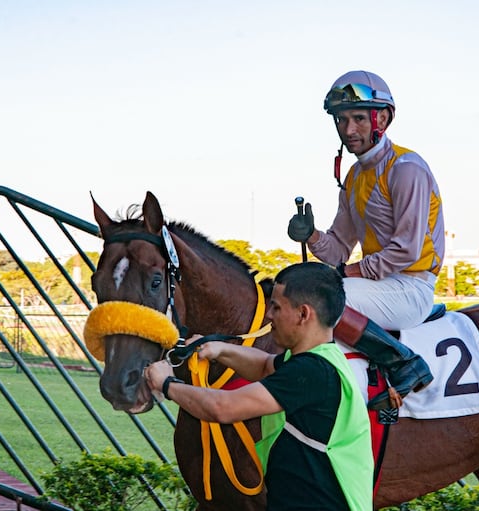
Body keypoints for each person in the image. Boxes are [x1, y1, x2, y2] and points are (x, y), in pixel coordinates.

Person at [145, 262, 372, 511]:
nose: (269, 316)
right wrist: (220, 350)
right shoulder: (320, 360)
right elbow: (265, 366)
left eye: (276, 307)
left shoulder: (310, 372)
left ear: (303, 314)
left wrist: (167, 384)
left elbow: (223, 407)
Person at [287, 70, 445, 411]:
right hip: (381, 286)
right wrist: (312, 235)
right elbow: (338, 249)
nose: (348, 129)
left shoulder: (407, 168)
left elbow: (406, 251)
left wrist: (346, 274)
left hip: (411, 287)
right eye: (341, 120)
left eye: (359, 118)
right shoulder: (355, 177)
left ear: (383, 118)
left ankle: (404, 362)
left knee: (325, 301)